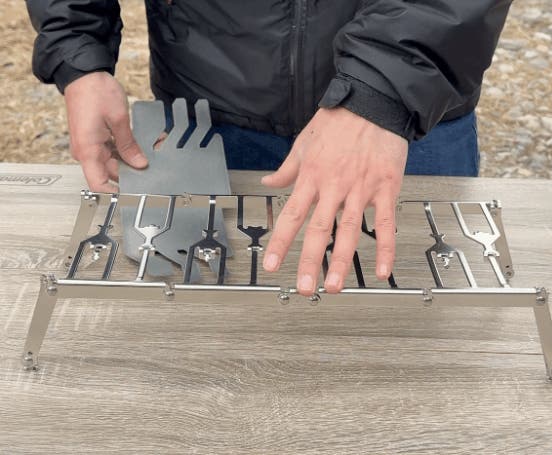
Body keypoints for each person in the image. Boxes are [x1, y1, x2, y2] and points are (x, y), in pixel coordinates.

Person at [27, 0, 512, 295]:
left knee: (415, 342)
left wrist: (382, 89)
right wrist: (78, 52)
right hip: (210, 112)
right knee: (206, 352)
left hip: (403, 117)